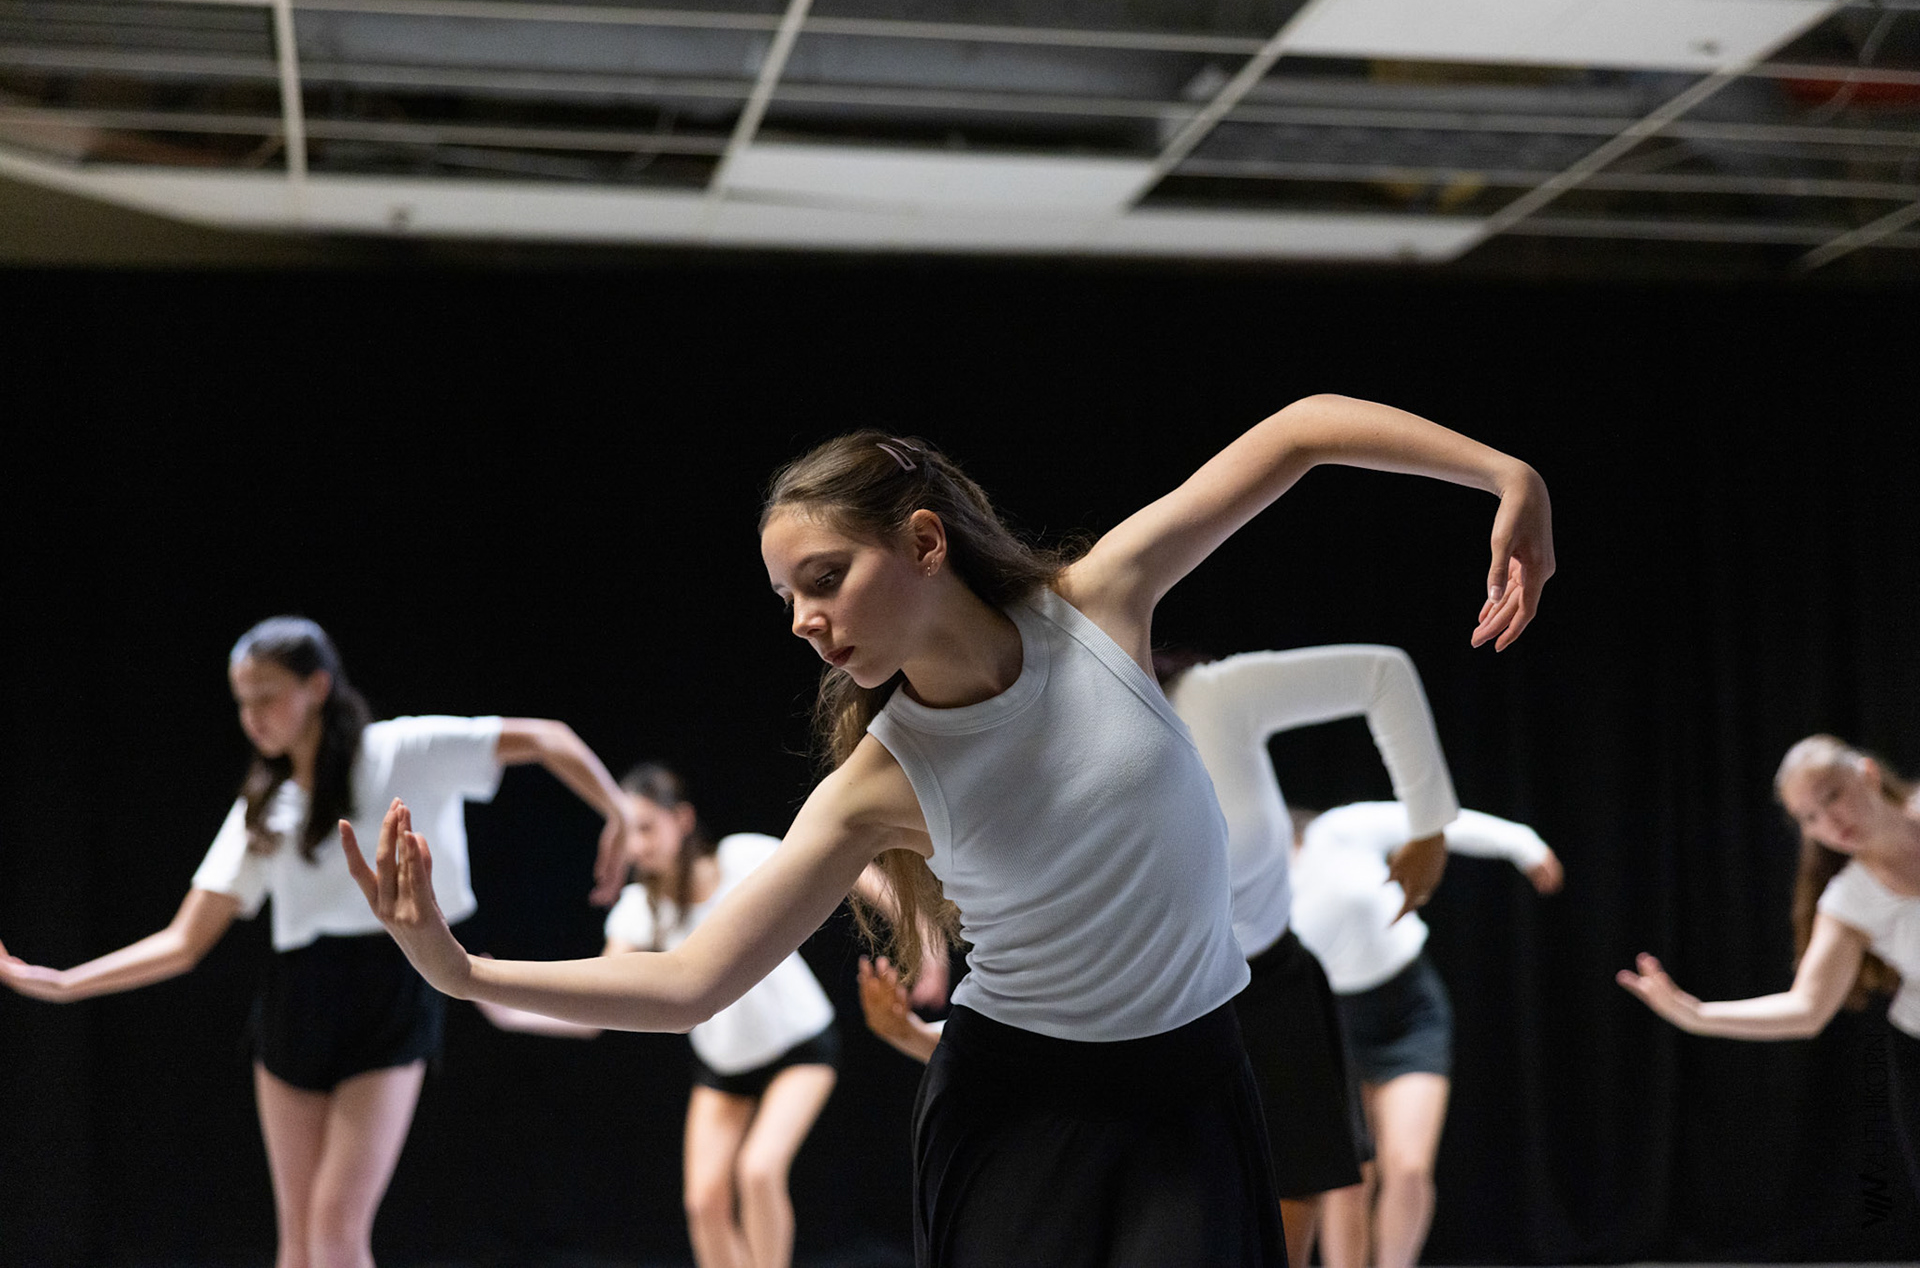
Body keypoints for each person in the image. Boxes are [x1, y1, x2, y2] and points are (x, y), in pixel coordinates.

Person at [343, 397, 1554, 1267]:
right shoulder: (878, 782)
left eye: (825, 577)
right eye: (786, 597)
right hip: (1018, 1103)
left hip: (1196, 1082)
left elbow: (1303, 430)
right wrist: (462, 969)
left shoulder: (1103, 603)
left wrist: (1512, 477)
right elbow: (691, 980)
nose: (804, 618)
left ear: (925, 542)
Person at [0, 617, 636, 1268]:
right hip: (298, 1000)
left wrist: (619, 812)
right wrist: (63, 982)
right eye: (242, 701)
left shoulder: (400, 749)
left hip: (393, 990)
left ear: (318, 686)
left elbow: (546, 738)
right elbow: (184, 940)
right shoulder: (266, 804)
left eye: (267, 696)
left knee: (335, 1232)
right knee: (299, 1244)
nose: (252, 717)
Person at [1157, 644, 1462, 1267]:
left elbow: (1382, 673)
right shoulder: (1061, 720)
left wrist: (1430, 826)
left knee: (1309, 1184)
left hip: (1279, 988)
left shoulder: (1210, 695)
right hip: (1164, 999)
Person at [474, 762, 838, 1268]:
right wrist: (513, 1011)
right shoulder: (639, 910)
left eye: (647, 827)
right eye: (626, 832)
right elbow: (596, 1001)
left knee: (758, 1170)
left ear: (682, 820)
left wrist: (921, 939)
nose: (638, 845)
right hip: (725, 1065)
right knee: (704, 1202)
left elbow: (845, 863)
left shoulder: (742, 858)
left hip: (799, 1046)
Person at [1617, 734, 1920, 1203]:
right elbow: (1807, 1009)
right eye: (1808, 817)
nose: (1828, 822)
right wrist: (1696, 1015)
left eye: (1832, 796)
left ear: (1867, 774)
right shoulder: (1848, 902)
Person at [1290, 801, 1562, 1268]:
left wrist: (1523, 844)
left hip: (1406, 1008)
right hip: (1328, 1021)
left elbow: (1431, 818)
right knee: (1349, 1180)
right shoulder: (1250, 880)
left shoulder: (1337, 832)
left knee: (1409, 1167)